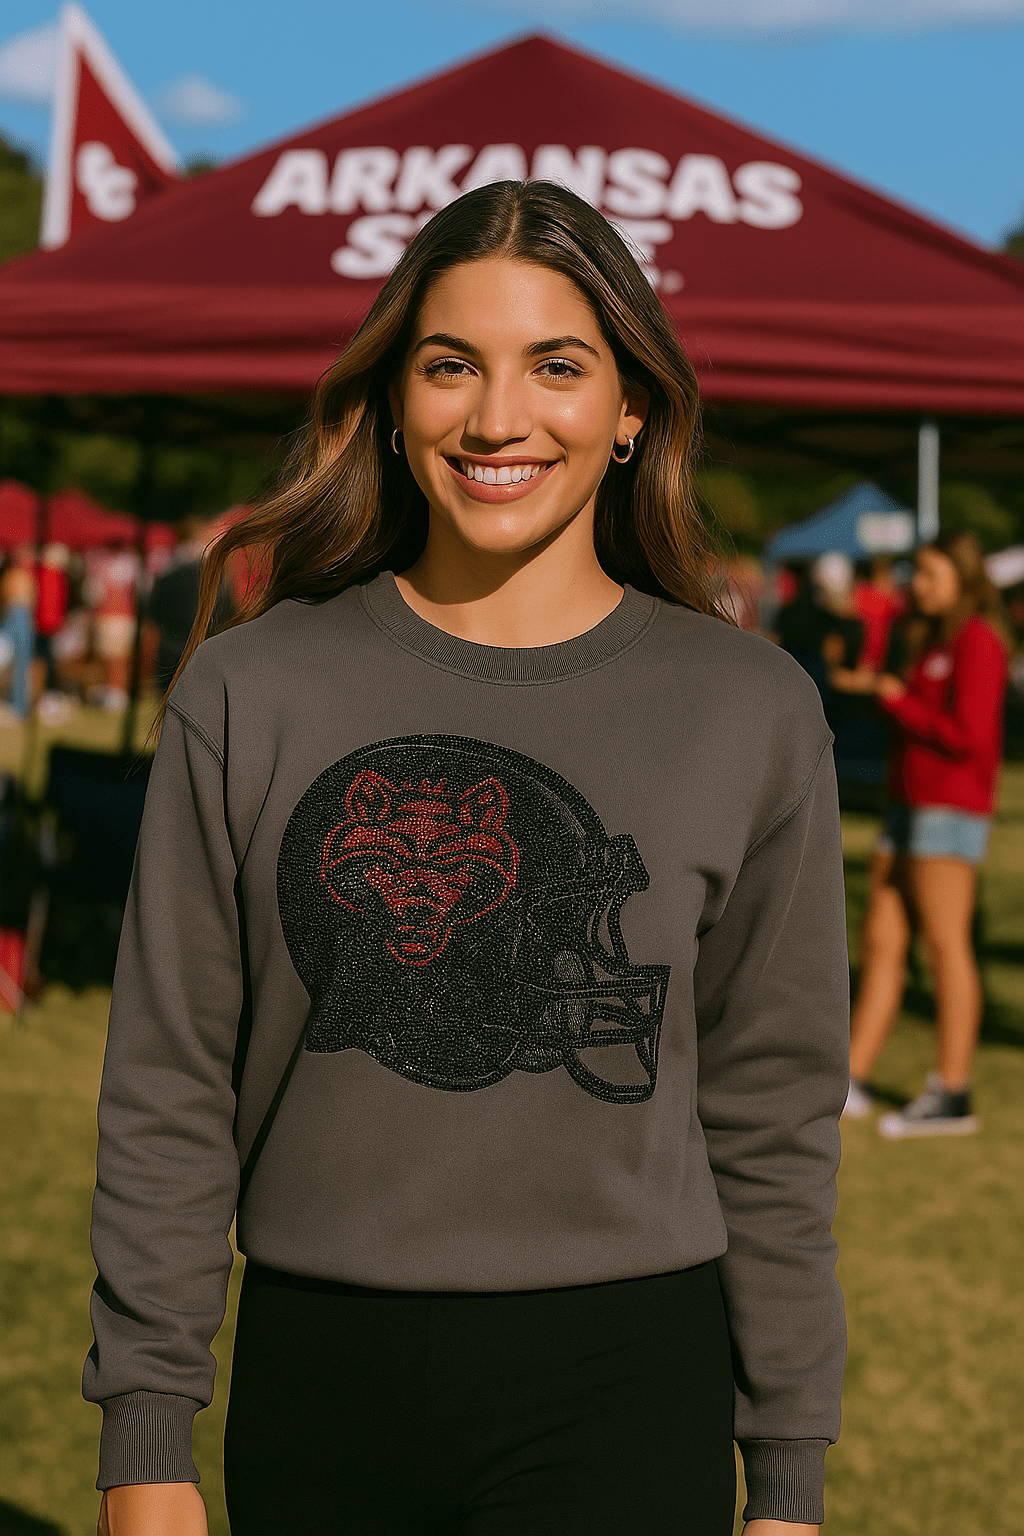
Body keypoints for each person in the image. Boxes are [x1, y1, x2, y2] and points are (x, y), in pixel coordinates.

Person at [88, 181, 848, 1536]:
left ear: (631, 410)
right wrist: (146, 1442)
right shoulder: (249, 690)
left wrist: (786, 1471)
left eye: (558, 366)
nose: (499, 418)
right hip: (322, 1379)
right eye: (452, 366)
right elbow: (168, 1082)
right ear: (392, 400)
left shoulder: (750, 708)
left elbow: (773, 1115)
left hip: (629, 1384)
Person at [837, 531, 1008, 1135]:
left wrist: (899, 702)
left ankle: (952, 1092)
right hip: (903, 810)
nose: (919, 586)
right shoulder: (930, 640)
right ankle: (849, 1079)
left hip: (949, 812)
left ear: (963, 580)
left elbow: (969, 736)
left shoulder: (980, 643)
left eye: (932, 575)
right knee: (882, 946)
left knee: (944, 948)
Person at [145, 513, 234, 691]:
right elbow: (229, 610)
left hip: (171, 649)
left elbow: (153, 612)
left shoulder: (166, 571)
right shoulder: (216, 572)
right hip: (207, 647)